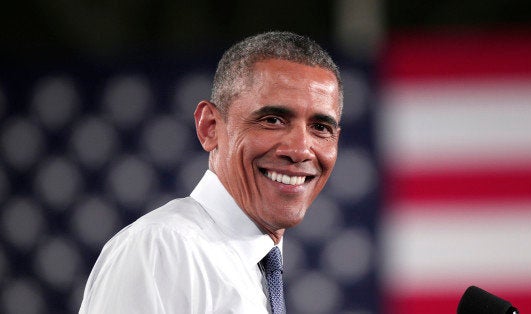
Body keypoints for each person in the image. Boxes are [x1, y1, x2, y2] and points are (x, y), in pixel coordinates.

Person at [79, 31, 343, 313]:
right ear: (210, 128)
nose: (301, 149)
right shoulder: (161, 249)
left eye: (320, 128)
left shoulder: (256, 266)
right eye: (273, 120)